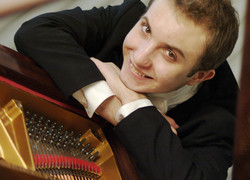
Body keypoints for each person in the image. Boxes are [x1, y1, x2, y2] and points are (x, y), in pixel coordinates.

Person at [14, 0, 239, 179]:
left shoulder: (224, 121)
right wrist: (113, 106)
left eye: (170, 53)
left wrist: (135, 106)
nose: (139, 57)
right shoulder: (127, 18)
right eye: (147, 29)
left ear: (199, 76)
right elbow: (35, 32)